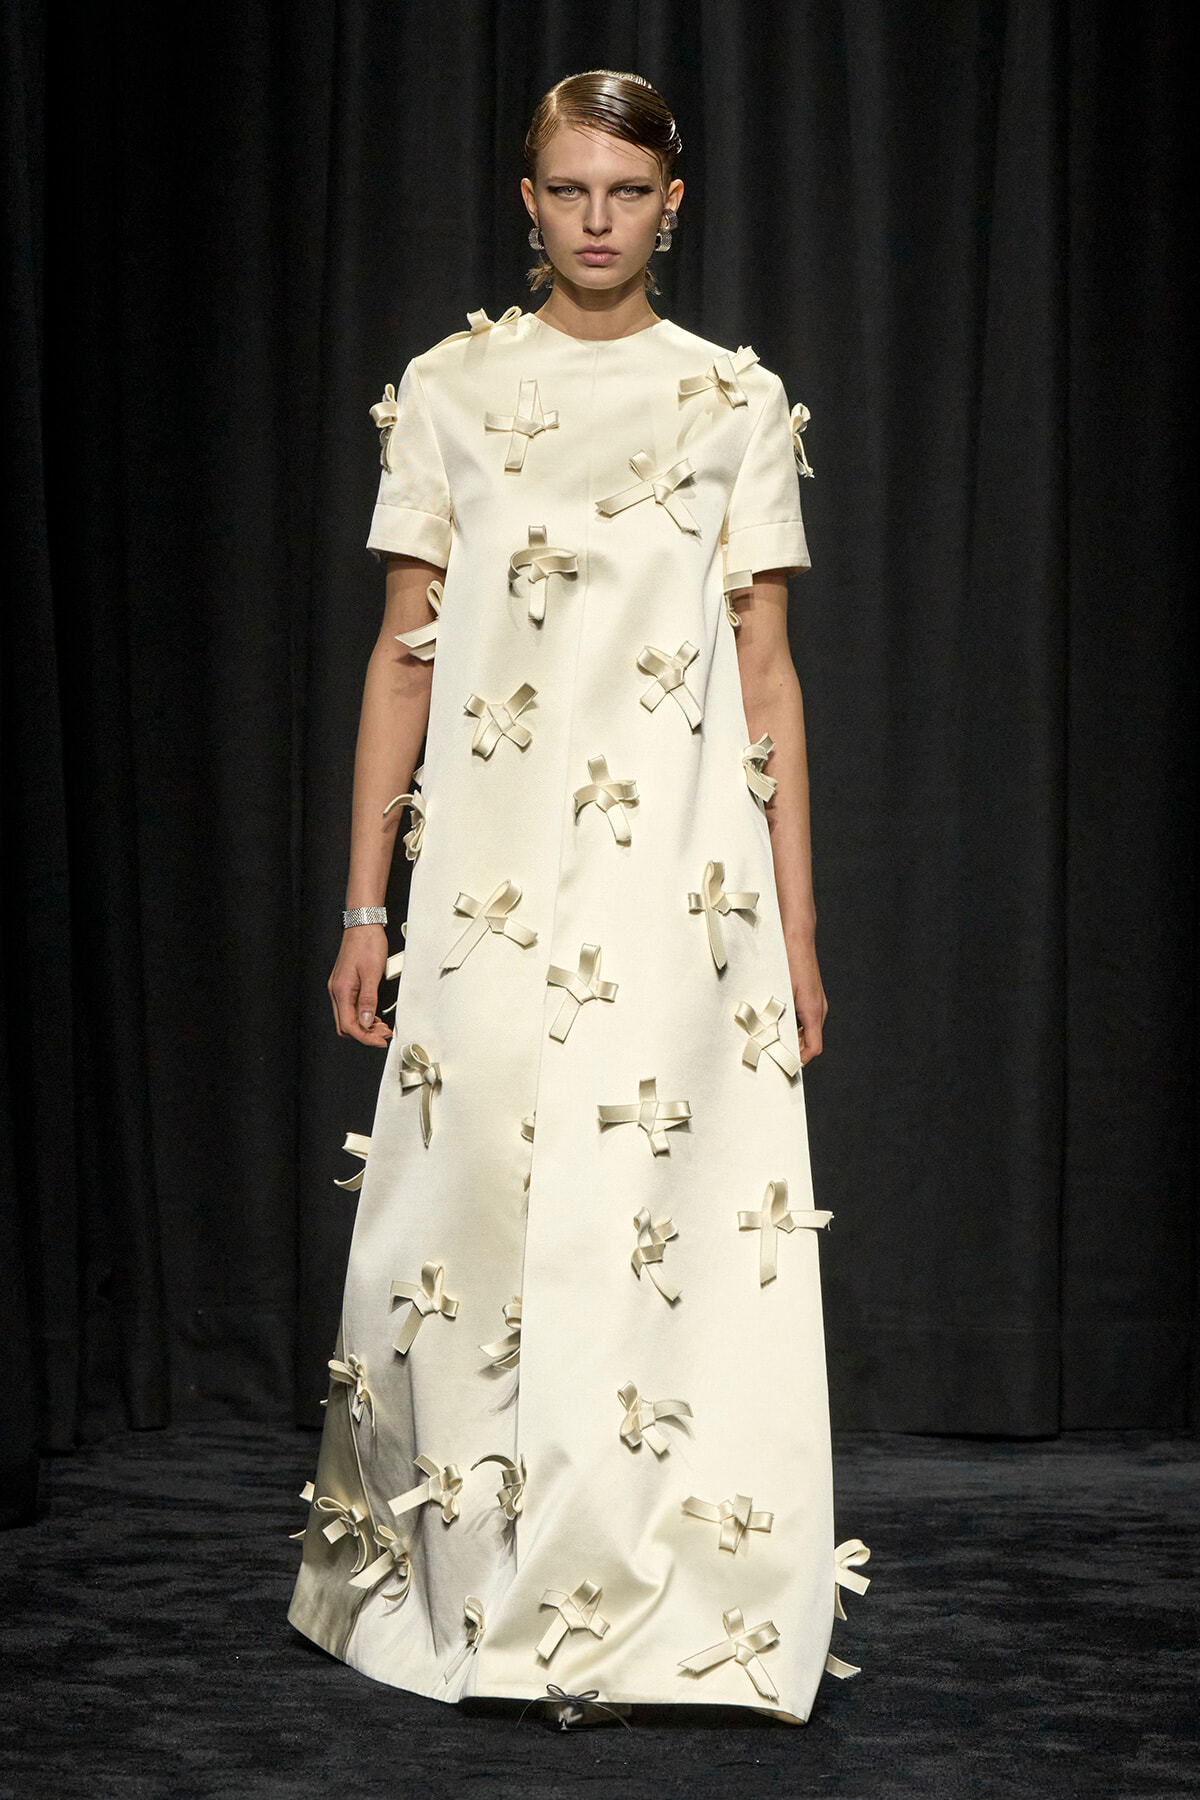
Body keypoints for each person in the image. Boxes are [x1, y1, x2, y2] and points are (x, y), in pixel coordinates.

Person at [288, 68, 870, 1727]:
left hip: (681, 891)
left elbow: (769, 681)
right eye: (568, 190)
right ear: (526, 200)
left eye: (626, 190)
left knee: (658, 1225)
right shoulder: (455, 391)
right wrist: (361, 906)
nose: (597, 220)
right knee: (466, 1220)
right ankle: (472, 1580)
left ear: (672, 202)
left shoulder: (729, 402)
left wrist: (798, 932)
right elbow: (403, 660)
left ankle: (659, 1594)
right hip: (484, 885)